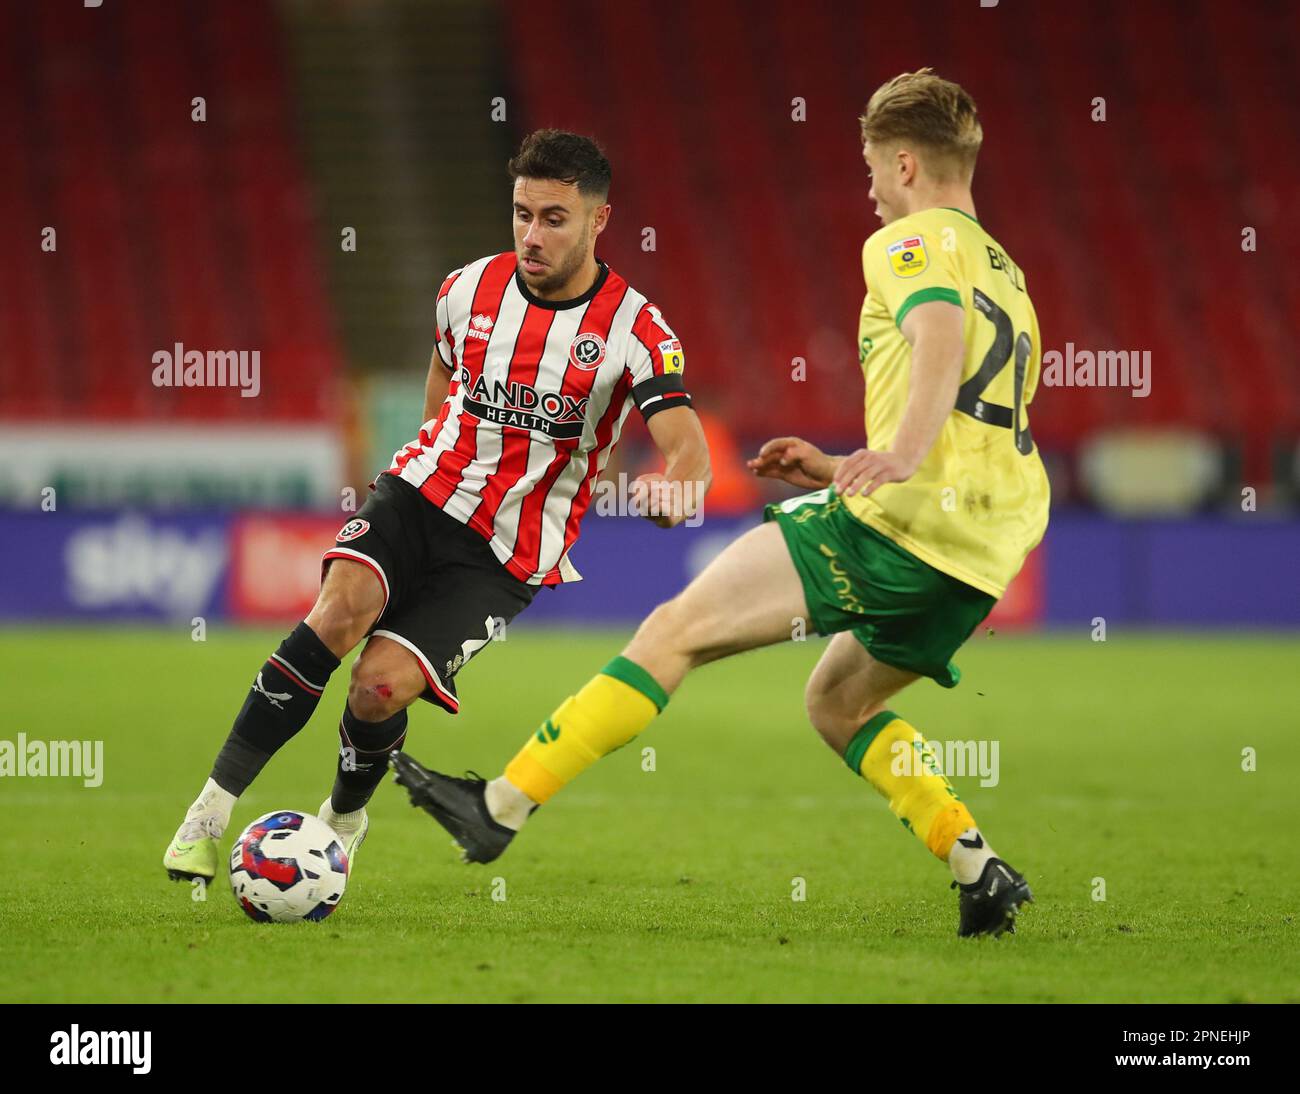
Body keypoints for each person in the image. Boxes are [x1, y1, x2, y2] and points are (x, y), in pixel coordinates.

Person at [393, 70, 1050, 938]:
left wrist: (893, 454)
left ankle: (501, 807)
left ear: (901, 163)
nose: (868, 189)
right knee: (836, 705)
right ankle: (978, 866)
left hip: (903, 527)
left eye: (867, 168)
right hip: (982, 554)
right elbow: (979, 411)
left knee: (673, 633)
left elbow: (936, 339)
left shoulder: (910, 243)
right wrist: (839, 464)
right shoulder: (1007, 273)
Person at [163, 129, 710, 882]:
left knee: (378, 688)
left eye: (554, 218)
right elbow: (443, 379)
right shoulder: (466, 289)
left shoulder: (636, 331)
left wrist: (672, 487)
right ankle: (209, 812)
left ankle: (343, 820)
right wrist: (424, 455)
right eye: (521, 213)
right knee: (336, 613)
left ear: (598, 220)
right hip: (418, 496)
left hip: (503, 555)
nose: (531, 235)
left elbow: (688, 448)